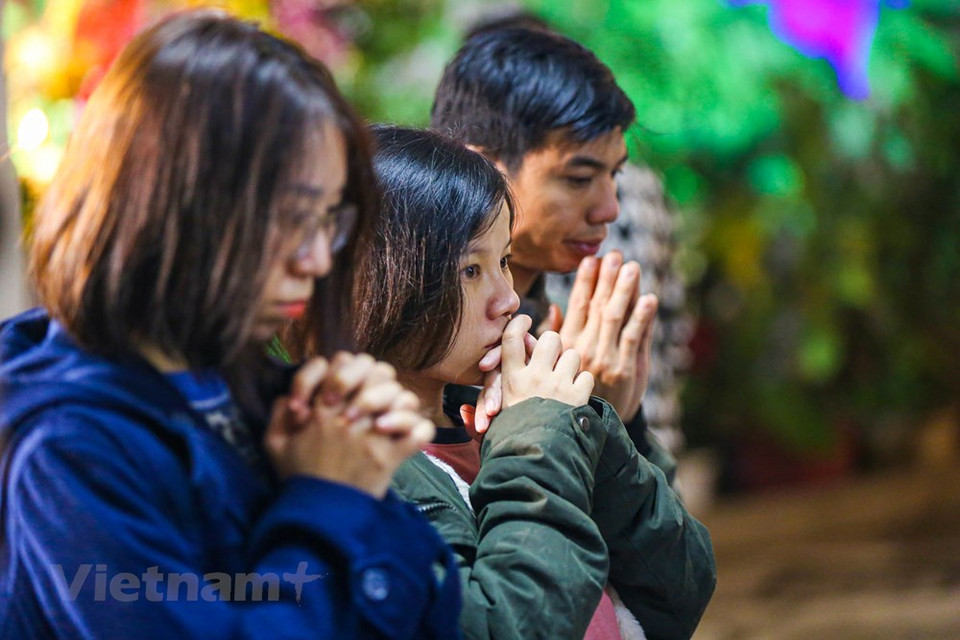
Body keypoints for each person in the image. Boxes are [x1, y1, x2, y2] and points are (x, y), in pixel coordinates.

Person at [0, 12, 459, 639]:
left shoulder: (253, 389)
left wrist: (362, 466)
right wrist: (334, 496)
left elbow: (433, 605)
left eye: (329, 220)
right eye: (291, 219)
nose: (317, 260)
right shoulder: (71, 448)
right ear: (175, 206)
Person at [342, 126, 714, 640]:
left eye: (503, 261)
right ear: (377, 280)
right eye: (470, 271)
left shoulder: (504, 416)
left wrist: (586, 424)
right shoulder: (360, 468)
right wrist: (538, 434)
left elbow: (682, 592)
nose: (508, 299)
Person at [430, 24, 660, 452]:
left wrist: (612, 417)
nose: (609, 209)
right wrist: (571, 420)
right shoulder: (420, 347)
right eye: (579, 178)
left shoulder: (560, 325)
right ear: (481, 166)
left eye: (614, 174)